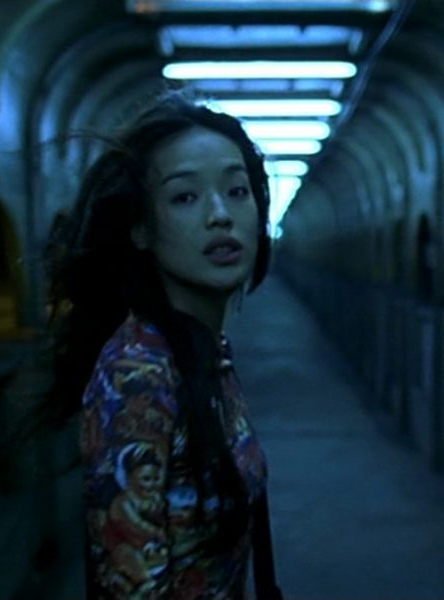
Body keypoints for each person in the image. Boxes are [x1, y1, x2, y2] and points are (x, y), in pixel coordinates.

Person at [44, 92, 282, 599]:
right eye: (184, 197)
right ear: (140, 229)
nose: (220, 215)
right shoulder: (138, 375)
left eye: (237, 191)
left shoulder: (202, 351)